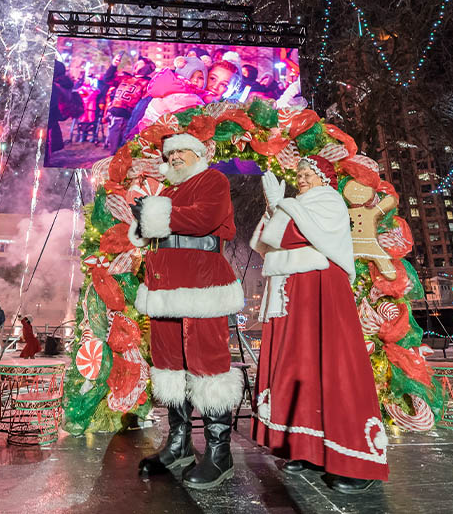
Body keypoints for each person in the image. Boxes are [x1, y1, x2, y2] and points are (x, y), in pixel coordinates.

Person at [249, 155, 389, 493]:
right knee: (300, 371)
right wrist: (276, 207)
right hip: (295, 297)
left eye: (308, 174)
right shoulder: (296, 204)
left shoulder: (328, 201)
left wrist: (279, 206)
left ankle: (357, 460)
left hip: (322, 293)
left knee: (335, 368)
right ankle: (307, 448)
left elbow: (291, 235)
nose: (302, 179)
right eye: (299, 175)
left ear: (323, 178)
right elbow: (269, 241)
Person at [129, 133, 243, 489]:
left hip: (201, 287)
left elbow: (204, 219)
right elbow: (153, 232)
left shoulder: (213, 180)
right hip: (164, 289)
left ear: (199, 154)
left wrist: (153, 213)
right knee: (170, 365)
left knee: (207, 365)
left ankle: (219, 454)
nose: (175, 156)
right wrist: (144, 217)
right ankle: (178, 444)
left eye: (182, 151)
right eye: (170, 152)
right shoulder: (167, 192)